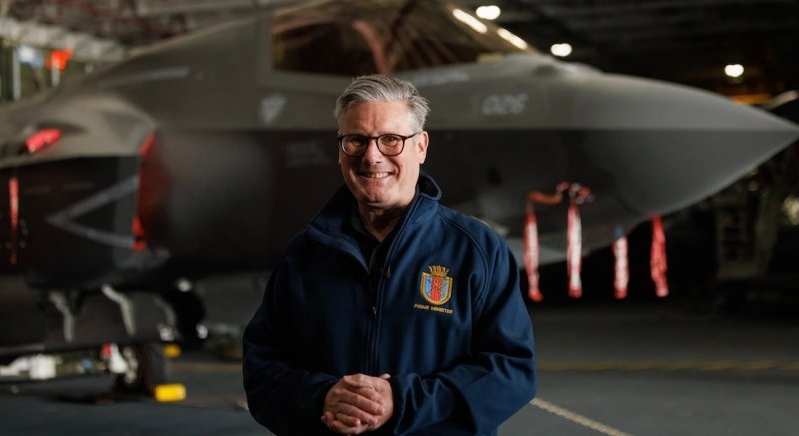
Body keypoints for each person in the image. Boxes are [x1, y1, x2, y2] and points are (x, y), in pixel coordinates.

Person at [242, 74, 537, 435]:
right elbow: (262, 368)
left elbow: (511, 371)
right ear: (340, 150)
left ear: (421, 146)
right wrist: (322, 397)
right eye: (356, 140)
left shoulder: (476, 250)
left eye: (391, 140)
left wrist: (401, 400)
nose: (372, 156)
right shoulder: (305, 254)